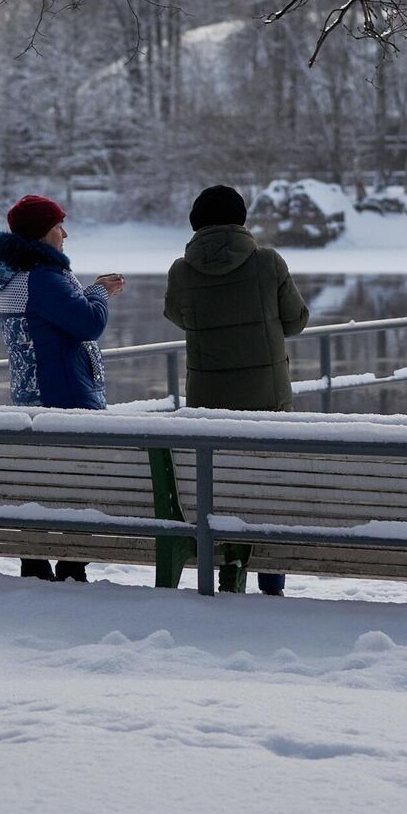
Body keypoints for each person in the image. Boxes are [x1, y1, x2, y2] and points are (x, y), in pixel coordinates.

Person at [164, 184, 309, 596]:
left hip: (208, 402)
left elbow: (177, 314)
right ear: (242, 219)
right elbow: (295, 320)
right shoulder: (267, 262)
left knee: (218, 487)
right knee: (268, 488)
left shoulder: (181, 269)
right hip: (268, 402)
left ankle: (228, 575)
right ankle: (271, 583)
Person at [0, 193, 124, 582]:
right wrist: (98, 292)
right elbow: (87, 324)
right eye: (59, 226)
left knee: (41, 480)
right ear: (44, 233)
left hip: (33, 394)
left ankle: (37, 563)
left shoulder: (14, 274)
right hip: (64, 396)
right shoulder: (42, 278)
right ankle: (69, 567)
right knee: (79, 482)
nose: (65, 233)